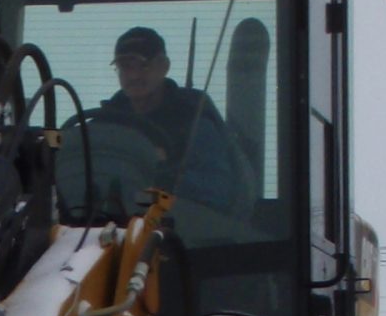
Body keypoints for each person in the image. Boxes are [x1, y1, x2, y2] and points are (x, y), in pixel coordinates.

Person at [78, 27, 256, 217]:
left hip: (181, 237)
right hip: (109, 236)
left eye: (143, 65)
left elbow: (218, 191)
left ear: (164, 66)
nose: (134, 76)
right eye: (125, 66)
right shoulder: (105, 123)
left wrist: (162, 173)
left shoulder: (194, 121)